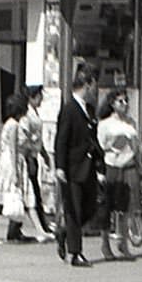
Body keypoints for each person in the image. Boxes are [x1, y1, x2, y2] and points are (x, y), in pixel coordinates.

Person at [54, 64, 103, 266]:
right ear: (86, 84)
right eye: (94, 86)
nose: (95, 90)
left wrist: (100, 165)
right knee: (73, 209)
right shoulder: (69, 109)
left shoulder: (89, 110)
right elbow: (61, 140)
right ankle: (75, 253)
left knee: (90, 208)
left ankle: (65, 232)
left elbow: (92, 139)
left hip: (89, 167)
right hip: (72, 168)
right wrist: (59, 167)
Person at [0, 90, 46, 243]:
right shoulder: (13, 125)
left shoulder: (11, 124)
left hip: (13, 162)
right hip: (12, 163)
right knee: (4, 197)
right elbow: (12, 148)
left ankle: (40, 230)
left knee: (24, 196)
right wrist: (14, 172)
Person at [96, 88, 142, 260]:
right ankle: (105, 243)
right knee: (107, 206)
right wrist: (115, 142)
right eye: (120, 101)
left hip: (128, 164)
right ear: (112, 104)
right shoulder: (105, 124)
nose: (124, 104)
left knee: (125, 206)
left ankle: (123, 242)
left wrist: (139, 164)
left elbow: (136, 146)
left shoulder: (131, 123)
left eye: (126, 101)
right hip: (112, 165)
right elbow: (101, 146)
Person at [22, 84, 56, 239]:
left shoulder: (35, 113)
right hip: (28, 157)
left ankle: (16, 227)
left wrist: (44, 154)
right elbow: (28, 137)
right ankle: (41, 226)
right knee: (32, 191)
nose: (41, 99)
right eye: (39, 96)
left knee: (29, 191)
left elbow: (38, 139)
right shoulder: (27, 115)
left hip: (34, 156)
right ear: (31, 97)